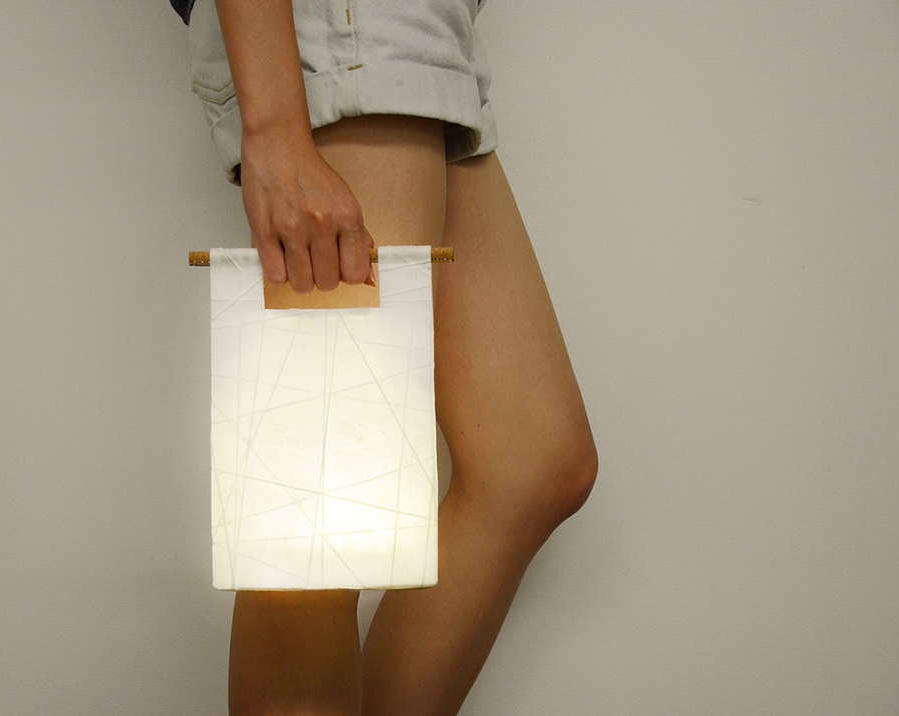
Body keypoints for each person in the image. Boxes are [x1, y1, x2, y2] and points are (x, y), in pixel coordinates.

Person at [173, 1, 598, 713]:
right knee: (317, 540)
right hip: (351, 34)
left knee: (533, 464)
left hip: (423, 36)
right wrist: (277, 133)